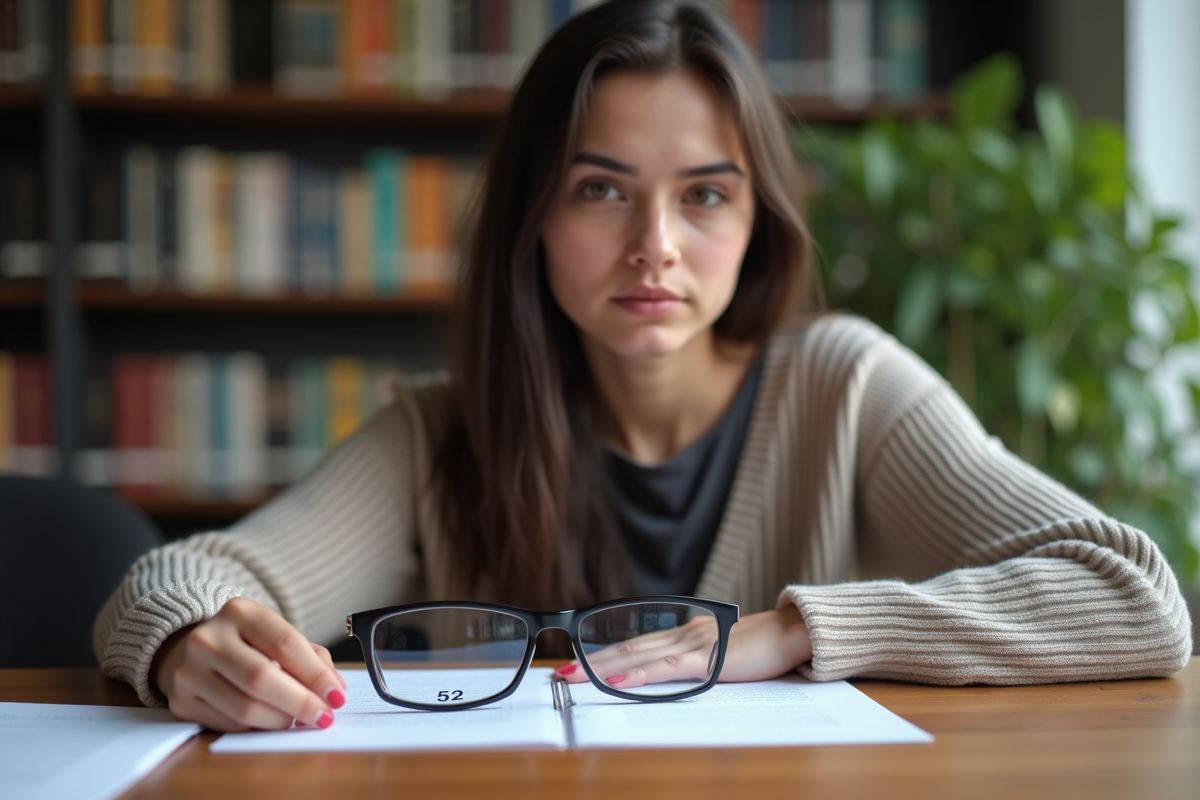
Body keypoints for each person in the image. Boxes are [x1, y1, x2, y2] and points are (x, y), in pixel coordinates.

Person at [94, 0, 1192, 733]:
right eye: (600, 188)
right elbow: (181, 577)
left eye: (705, 194)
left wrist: (794, 629)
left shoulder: (846, 386)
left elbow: (1136, 595)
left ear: (759, 220)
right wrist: (192, 642)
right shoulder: (445, 431)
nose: (655, 244)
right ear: (533, 215)